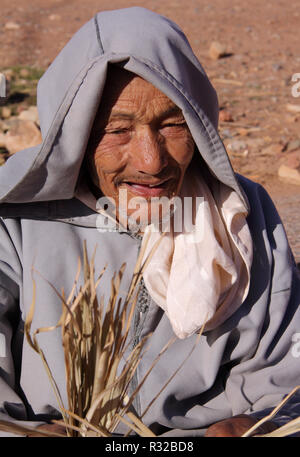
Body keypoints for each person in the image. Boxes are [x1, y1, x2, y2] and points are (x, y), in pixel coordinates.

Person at [0, 7, 299, 438]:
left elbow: (286, 378)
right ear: (76, 134)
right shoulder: (14, 217)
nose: (151, 162)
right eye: (118, 130)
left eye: (173, 124)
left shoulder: (240, 214)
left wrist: (248, 425)